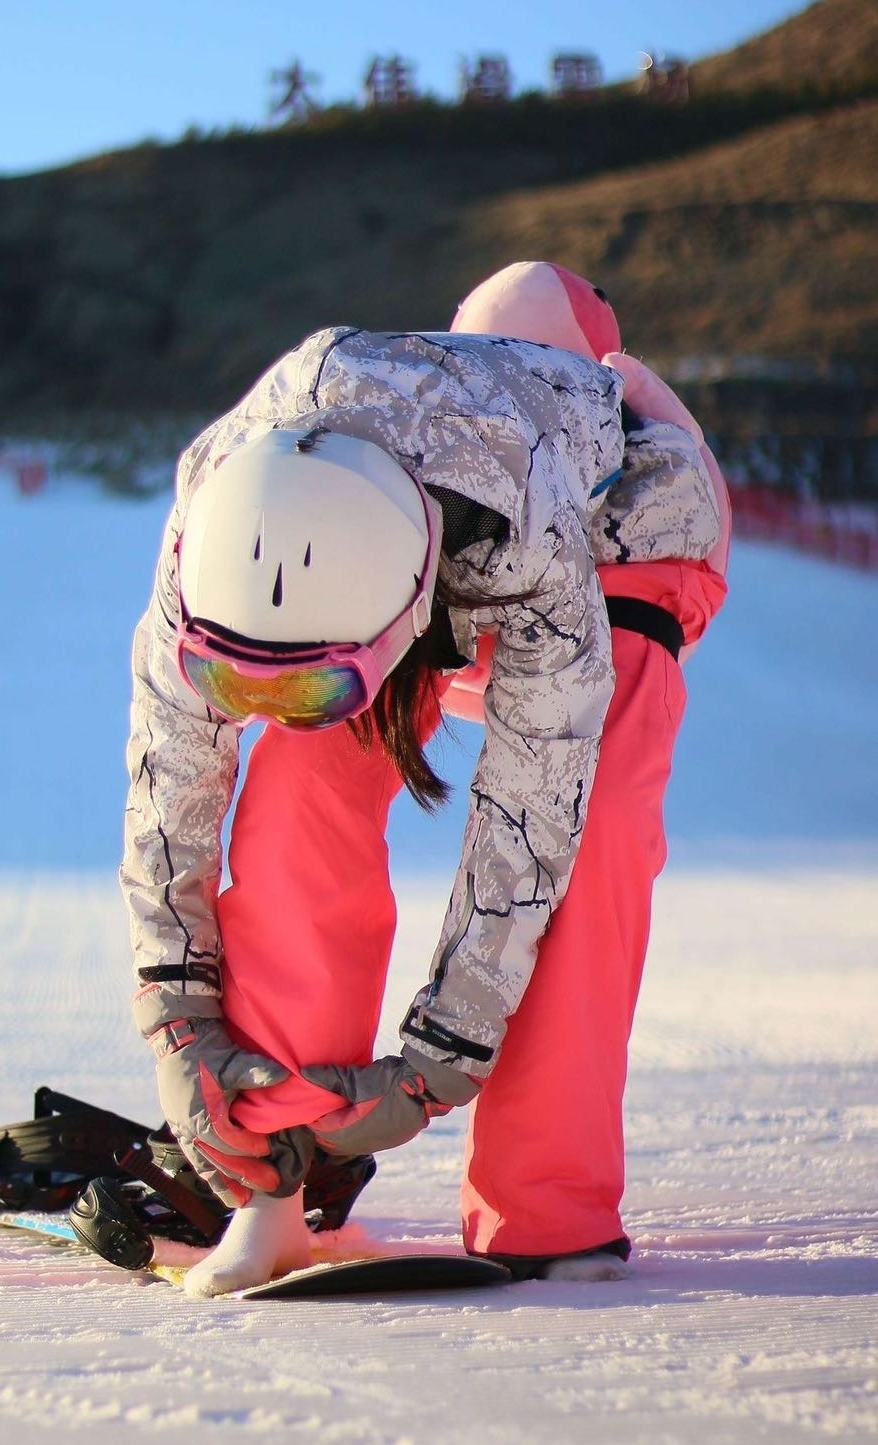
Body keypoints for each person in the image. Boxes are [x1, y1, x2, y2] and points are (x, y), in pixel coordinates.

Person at [121, 265, 726, 1297]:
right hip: (399, 494)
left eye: (321, 685)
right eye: (248, 677)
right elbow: (170, 794)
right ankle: (271, 1183)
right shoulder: (207, 535)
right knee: (294, 795)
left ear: (403, 623)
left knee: (596, 836)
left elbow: (529, 824)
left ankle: (548, 1209)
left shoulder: (529, 557)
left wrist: (439, 1055)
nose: (283, 697)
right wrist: (176, 1014)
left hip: (620, 542)